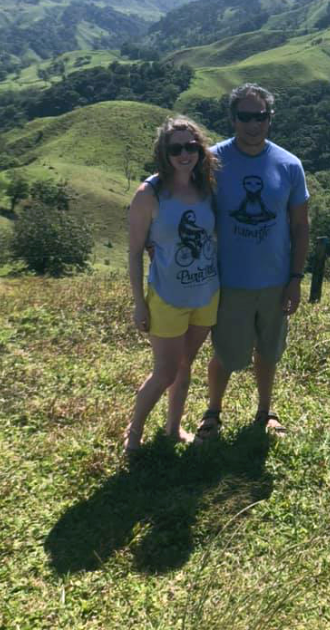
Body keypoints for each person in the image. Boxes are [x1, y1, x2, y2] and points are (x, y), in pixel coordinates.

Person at [195, 83, 310, 441]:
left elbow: (300, 226)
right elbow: (186, 205)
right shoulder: (211, 161)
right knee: (226, 353)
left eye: (260, 116)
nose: (253, 124)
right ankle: (213, 412)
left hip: (275, 281)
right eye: (244, 116)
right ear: (232, 118)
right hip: (229, 281)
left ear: (270, 118)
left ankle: (265, 411)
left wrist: (295, 278)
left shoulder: (289, 165)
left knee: (269, 351)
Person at [124, 116, 220, 453]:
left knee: (184, 366)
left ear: (200, 150)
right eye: (175, 148)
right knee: (165, 372)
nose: (184, 154)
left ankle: (173, 429)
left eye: (190, 146)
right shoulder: (149, 195)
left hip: (206, 294)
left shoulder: (207, 188)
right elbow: (134, 252)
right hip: (167, 297)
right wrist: (139, 303)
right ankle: (134, 432)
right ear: (163, 153)